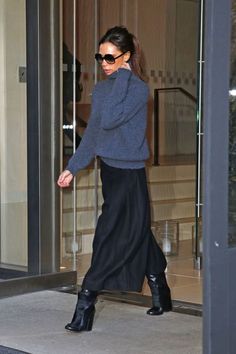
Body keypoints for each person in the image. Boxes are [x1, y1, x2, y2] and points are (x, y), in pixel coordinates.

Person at [57, 26, 172, 333]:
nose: (104, 63)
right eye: (100, 56)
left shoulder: (135, 89)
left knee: (112, 235)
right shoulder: (104, 88)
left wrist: (123, 74)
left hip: (131, 174)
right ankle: (160, 289)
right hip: (110, 171)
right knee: (135, 230)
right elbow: (95, 132)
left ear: (127, 57)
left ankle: (86, 301)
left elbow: (111, 119)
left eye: (110, 57)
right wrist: (74, 166)